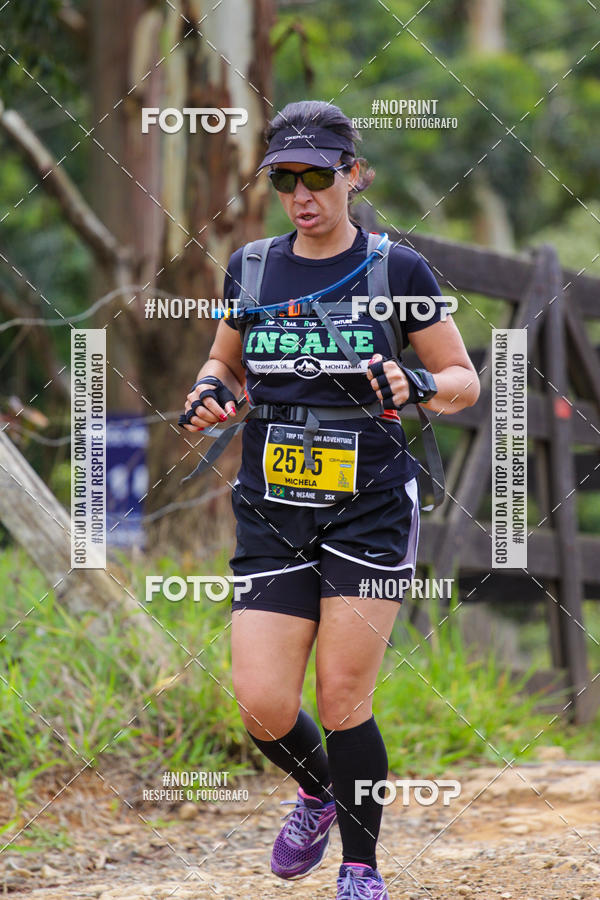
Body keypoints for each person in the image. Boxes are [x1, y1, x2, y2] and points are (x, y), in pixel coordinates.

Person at [181, 100, 480, 900]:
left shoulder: (397, 270)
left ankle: (360, 867)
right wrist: (211, 392)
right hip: (272, 505)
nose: (301, 195)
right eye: (285, 179)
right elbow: (224, 362)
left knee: (343, 696)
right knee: (262, 703)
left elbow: (463, 380)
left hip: (370, 504)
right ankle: (318, 792)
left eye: (317, 176)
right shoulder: (251, 267)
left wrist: (416, 382)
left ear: (355, 174)